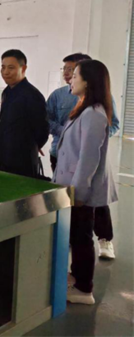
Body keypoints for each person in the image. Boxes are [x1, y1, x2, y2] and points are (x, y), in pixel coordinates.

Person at [53, 59, 118, 305]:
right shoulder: (84, 108)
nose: (70, 79)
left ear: (88, 82)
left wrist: (78, 194)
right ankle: (77, 277)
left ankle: (83, 289)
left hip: (80, 190)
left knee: (81, 238)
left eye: (75, 75)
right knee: (76, 236)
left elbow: (88, 159)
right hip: (71, 185)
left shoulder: (93, 114)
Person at [0, 50, 49, 178]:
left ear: (23, 68)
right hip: (4, 156)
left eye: (11, 68)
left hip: (23, 160)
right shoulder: (7, 92)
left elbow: (42, 130)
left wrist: (33, 145)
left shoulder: (32, 95)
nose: (5, 72)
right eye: (3, 67)